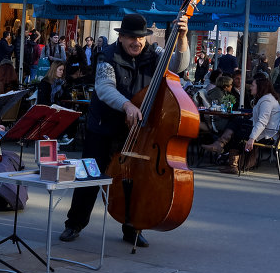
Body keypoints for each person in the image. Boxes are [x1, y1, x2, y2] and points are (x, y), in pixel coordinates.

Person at [59, 13, 190, 248]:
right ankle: (74, 223)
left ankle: (133, 227)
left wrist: (182, 38)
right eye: (131, 37)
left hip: (138, 130)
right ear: (121, 37)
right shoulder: (107, 56)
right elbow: (104, 87)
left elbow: (179, 67)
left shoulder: (155, 54)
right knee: (90, 175)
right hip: (104, 125)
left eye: (140, 38)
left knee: (136, 179)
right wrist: (127, 104)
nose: (136, 42)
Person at [205, 76, 280, 174]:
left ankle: (225, 153)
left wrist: (252, 138)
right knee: (238, 122)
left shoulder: (267, 101)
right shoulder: (267, 98)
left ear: (260, 87)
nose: (250, 87)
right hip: (267, 131)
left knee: (238, 128)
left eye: (253, 85)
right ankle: (224, 151)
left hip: (267, 134)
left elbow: (262, 122)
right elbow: (256, 120)